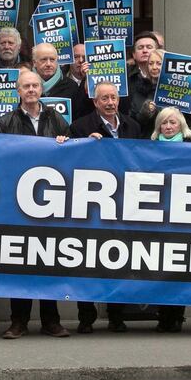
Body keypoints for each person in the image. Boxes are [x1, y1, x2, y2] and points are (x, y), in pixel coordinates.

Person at [0, 70, 70, 339]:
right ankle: (19, 322)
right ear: (18, 91)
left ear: (41, 89)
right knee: (20, 264)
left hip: (49, 202)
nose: (31, 90)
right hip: (17, 204)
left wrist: (65, 143)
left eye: (35, 85)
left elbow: (73, 155)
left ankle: (52, 321)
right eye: (25, 86)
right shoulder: (5, 122)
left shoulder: (56, 119)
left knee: (48, 262)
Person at [69, 81, 140, 333]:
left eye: (113, 97)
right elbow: (71, 160)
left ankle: (116, 316)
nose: (110, 102)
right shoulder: (80, 126)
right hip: (92, 205)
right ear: (95, 102)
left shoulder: (133, 126)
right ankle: (85, 317)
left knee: (118, 260)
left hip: (124, 203)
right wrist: (84, 144)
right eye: (104, 99)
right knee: (86, 262)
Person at [149, 106, 191, 332]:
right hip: (158, 215)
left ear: (181, 126)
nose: (167, 127)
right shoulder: (149, 148)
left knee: (180, 267)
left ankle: (177, 315)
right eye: (163, 123)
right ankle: (163, 316)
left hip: (184, 216)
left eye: (172, 123)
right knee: (160, 267)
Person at [33, 42, 92, 120]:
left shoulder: (71, 87)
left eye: (52, 59)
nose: (48, 64)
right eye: (44, 59)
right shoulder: (26, 85)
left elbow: (81, 117)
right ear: (34, 62)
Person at [126, 32, 160, 118]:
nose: (145, 50)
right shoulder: (124, 74)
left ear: (157, 52)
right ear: (134, 54)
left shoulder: (168, 74)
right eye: (140, 48)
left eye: (149, 47)